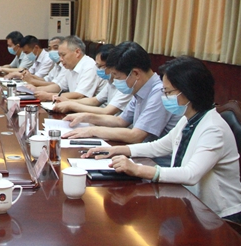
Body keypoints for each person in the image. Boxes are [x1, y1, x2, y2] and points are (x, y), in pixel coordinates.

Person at [84, 56, 241, 222]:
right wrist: (116, 150)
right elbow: (159, 146)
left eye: (168, 92)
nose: (164, 97)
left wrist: (138, 170)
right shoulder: (189, 119)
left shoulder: (213, 128)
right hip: (193, 204)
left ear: (189, 91)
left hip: (221, 216)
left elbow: (190, 174)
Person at [63, 41, 181, 146]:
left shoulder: (160, 92)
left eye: (117, 76)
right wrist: (86, 117)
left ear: (135, 73)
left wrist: (93, 131)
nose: (114, 81)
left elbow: (136, 136)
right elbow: (120, 121)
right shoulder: (141, 89)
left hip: (155, 159)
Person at [53, 44, 132, 115]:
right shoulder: (111, 81)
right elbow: (95, 100)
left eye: (100, 66)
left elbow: (107, 111)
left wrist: (71, 105)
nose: (98, 69)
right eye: (97, 65)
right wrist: (68, 101)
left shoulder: (126, 85)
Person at [33, 35, 105, 101]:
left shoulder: (89, 67)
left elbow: (80, 95)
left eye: (63, 55)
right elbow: (59, 87)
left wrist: (49, 96)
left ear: (77, 52)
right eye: (59, 55)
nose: (60, 59)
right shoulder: (70, 66)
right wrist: (35, 89)